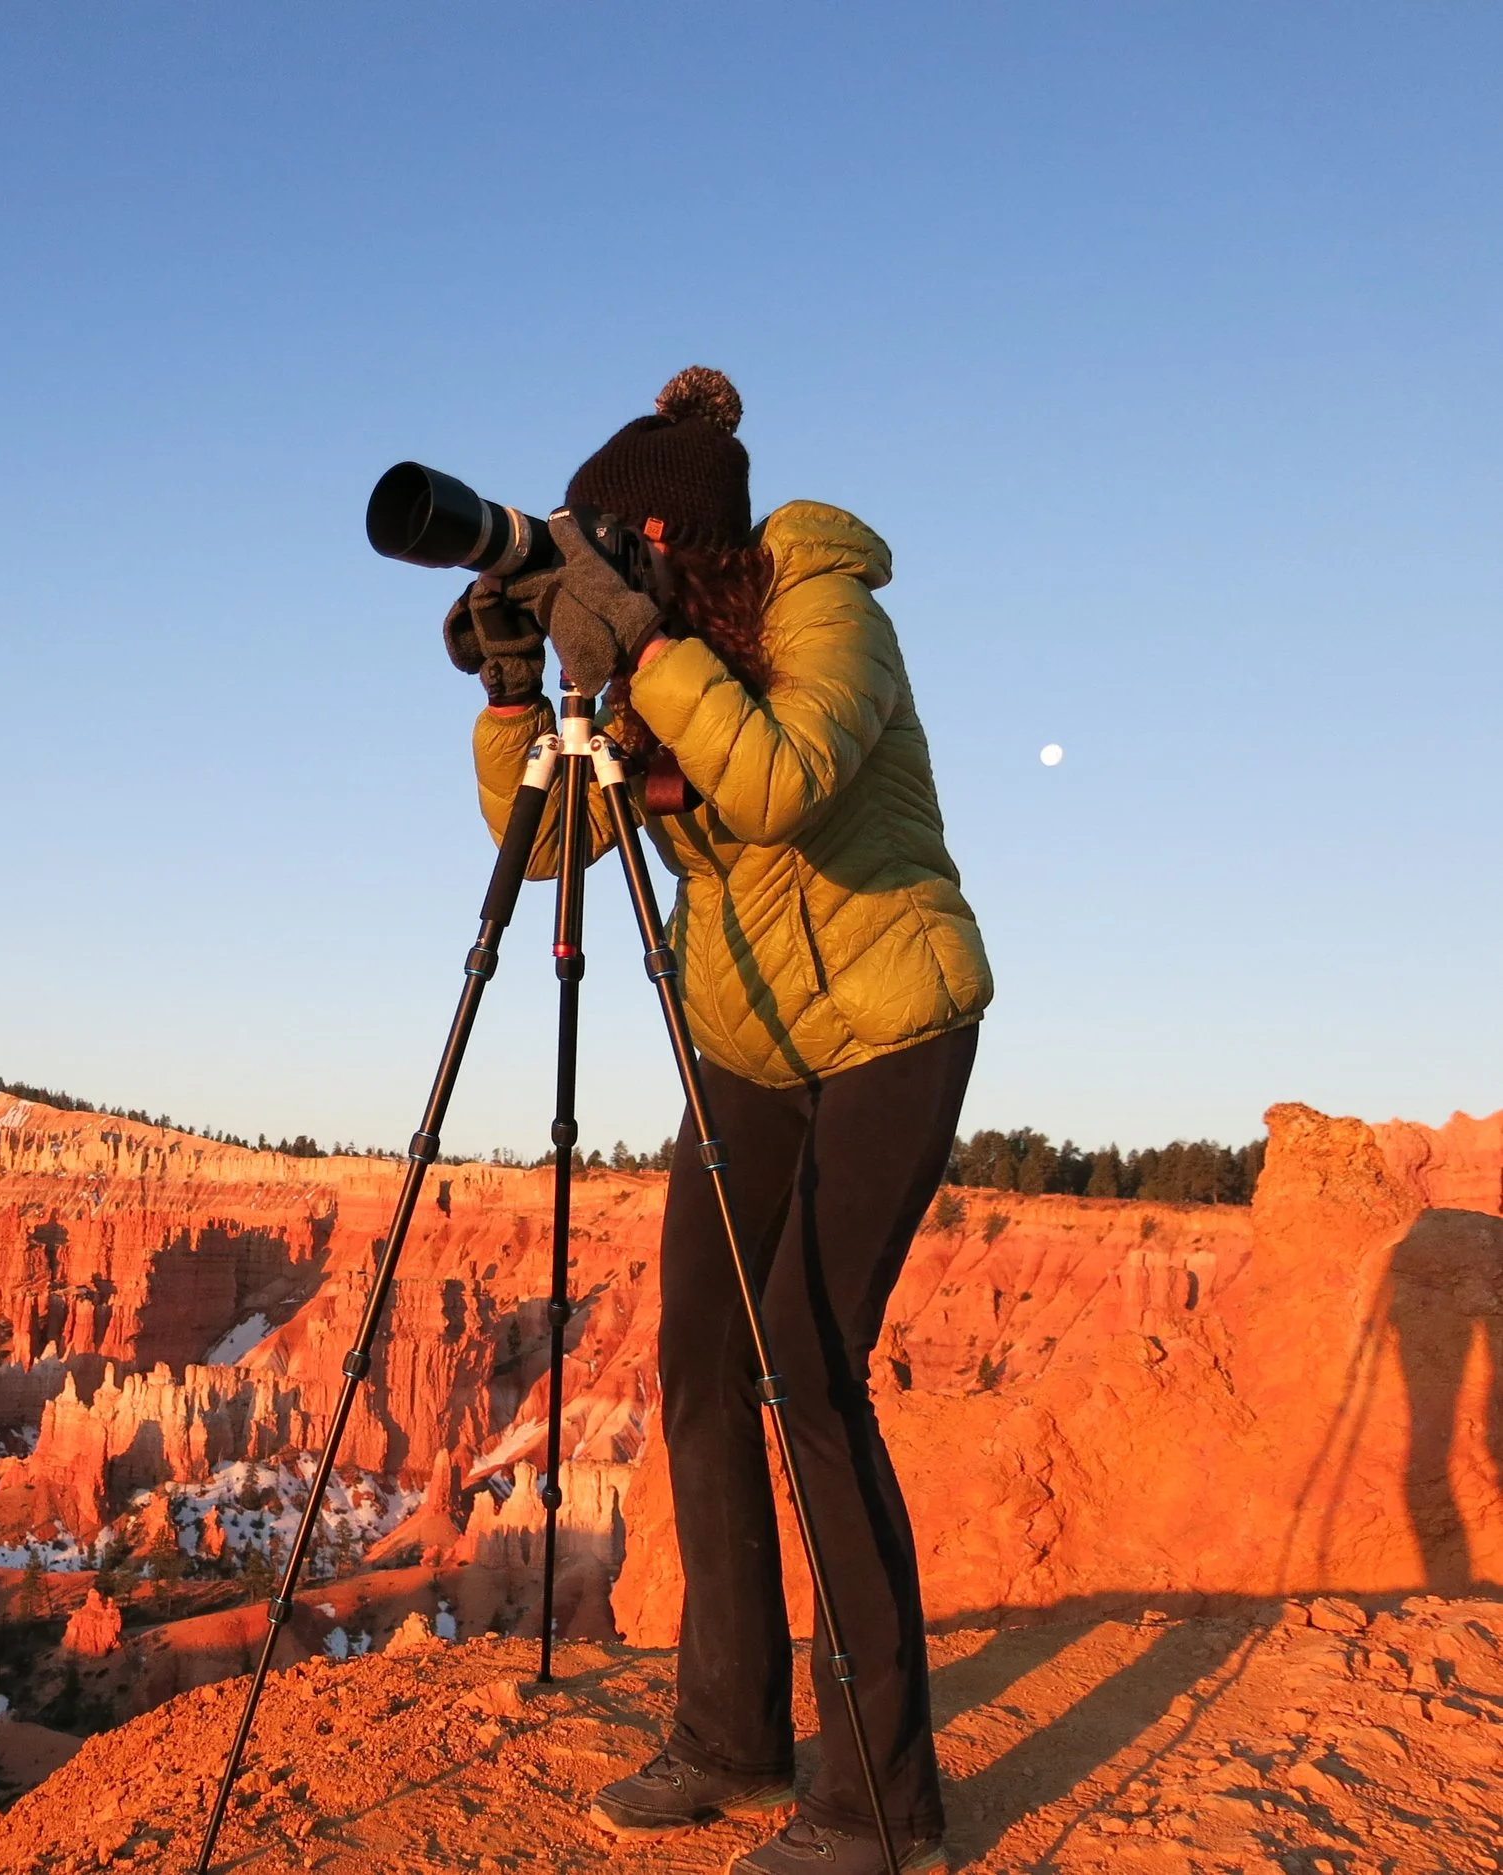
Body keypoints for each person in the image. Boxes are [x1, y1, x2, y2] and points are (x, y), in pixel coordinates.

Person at [446, 366, 991, 1875]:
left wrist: (648, 648)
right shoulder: (649, 665)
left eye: (613, 552)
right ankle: (735, 1736)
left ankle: (882, 1804)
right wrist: (516, 696)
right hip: (751, 1039)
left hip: (895, 1017)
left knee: (809, 1367)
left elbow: (782, 780)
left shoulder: (830, 606)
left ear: (675, 547)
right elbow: (553, 842)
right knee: (699, 1355)